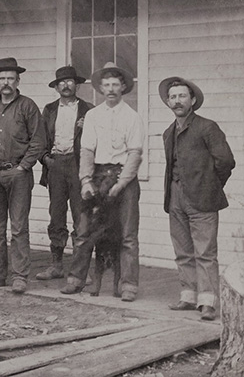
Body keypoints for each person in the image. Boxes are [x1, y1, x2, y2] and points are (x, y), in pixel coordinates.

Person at [61, 62, 144, 302]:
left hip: (123, 178)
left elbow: (134, 154)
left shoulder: (132, 117)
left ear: (124, 87)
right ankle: (76, 280)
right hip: (96, 175)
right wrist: (86, 180)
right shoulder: (93, 115)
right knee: (85, 230)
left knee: (128, 235)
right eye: (106, 84)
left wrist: (121, 184)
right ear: (99, 88)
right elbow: (87, 149)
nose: (110, 89)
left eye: (115, 84)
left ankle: (127, 285)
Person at [160, 76, 235, 321]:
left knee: (205, 252)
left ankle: (208, 303)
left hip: (202, 198)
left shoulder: (207, 127)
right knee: (183, 251)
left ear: (192, 100)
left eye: (182, 96)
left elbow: (225, 162)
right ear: (168, 102)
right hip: (175, 198)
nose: (177, 101)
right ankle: (188, 297)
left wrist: (210, 186)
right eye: (172, 97)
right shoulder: (168, 132)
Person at [0, 57, 44, 294]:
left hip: (18, 173)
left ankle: (19, 276)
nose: (6, 82)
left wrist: (24, 166)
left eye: (10, 78)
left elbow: (38, 140)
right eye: (2, 78)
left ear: (17, 80)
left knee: (19, 227)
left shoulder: (28, 106)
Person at [36, 66, 94, 281]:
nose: (66, 86)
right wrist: (46, 160)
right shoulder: (49, 109)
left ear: (76, 85)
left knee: (81, 216)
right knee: (56, 215)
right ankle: (56, 265)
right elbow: (40, 138)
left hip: (79, 165)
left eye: (70, 81)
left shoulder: (89, 110)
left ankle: (81, 270)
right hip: (56, 165)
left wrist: (87, 126)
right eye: (61, 82)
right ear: (56, 86)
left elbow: (97, 139)